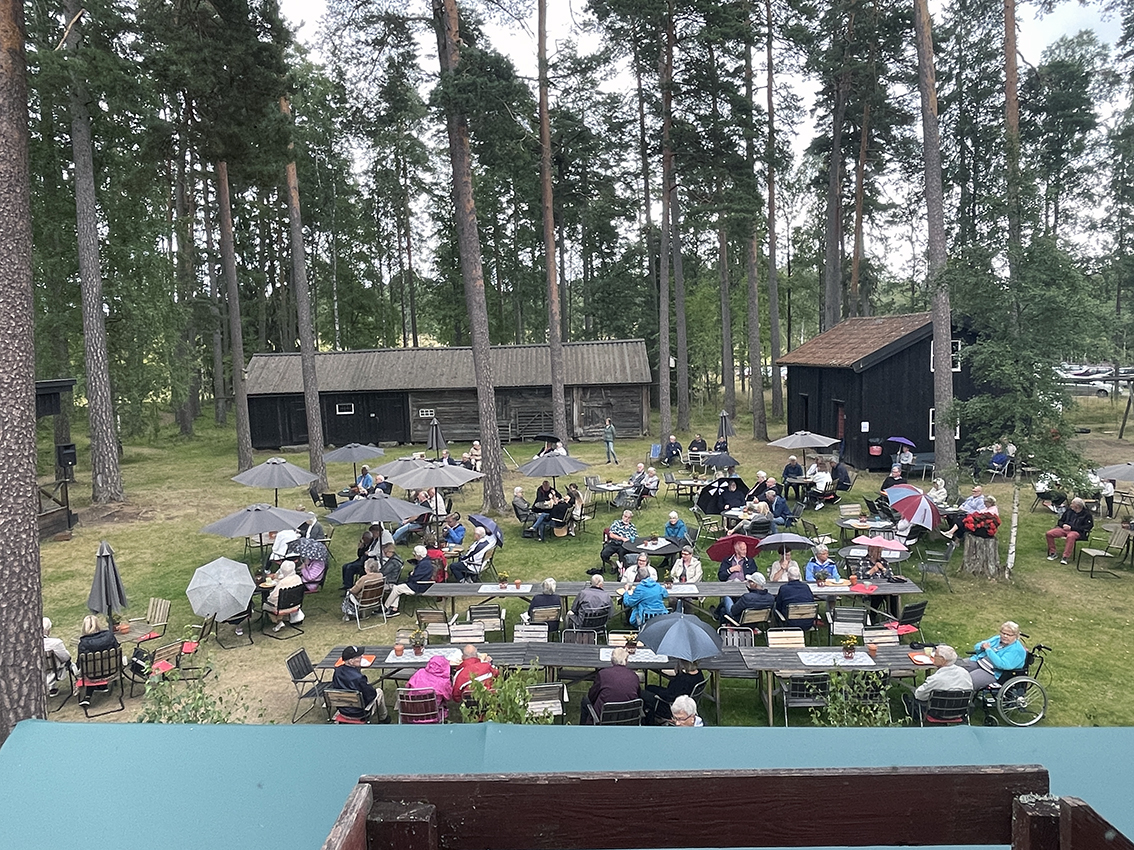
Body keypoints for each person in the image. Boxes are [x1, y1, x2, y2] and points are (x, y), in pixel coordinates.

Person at [905, 645, 972, 723]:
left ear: (943, 660)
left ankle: (911, 710)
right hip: (960, 712)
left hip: (937, 713)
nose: (933, 657)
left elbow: (919, 695)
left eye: (935, 655)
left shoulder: (936, 679)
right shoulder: (965, 673)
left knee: (915, 696)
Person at [957, 621, 1027, 690]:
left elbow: (1002, 664)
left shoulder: (1017, 650)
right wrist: (981, 647)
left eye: (1009, 635)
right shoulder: (997, 639)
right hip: (978, 661)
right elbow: (977, 646)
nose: (1005, 636)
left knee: (966, 680)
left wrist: (988, 650)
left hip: (991, 672)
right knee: (956, 668)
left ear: (1016, 636)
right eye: (1003, 633)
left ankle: (958, 695)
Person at [581, 646, 640, 725]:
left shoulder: (603, 674)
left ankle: (583, 730)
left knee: (585, 701)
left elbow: (592, 695)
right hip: (627, 717)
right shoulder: (634, 676)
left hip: (604, 717)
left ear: (612, 660)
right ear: (626, 661)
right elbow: (638, 696)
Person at [331, 645, 390, 723]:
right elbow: (371, 695)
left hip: (343, 711)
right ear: (351, 661)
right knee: (379, 692)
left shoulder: (337, 671)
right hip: (359, 714)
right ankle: (384, 718)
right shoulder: (359, 678)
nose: (362, 657)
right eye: (358, 657)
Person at [644, 659, 705, 725]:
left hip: (670, 704)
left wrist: (678, 675)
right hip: (686, 699)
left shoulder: (682, 680)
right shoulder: (699, 674)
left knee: (646, 691)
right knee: (651, 688)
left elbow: (669, 695)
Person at [76, 615, 119, 706]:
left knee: (90, 668)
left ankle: (88, 696)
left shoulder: (83, 644)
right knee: (101, 663)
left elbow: (80, 663)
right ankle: (102, 686)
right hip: (111, 672)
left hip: (92, 676)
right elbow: (117, 651)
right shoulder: (110, 637)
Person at [383, 545, 434, 617]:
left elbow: (416, 577)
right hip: (417, 584)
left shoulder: (424, 564)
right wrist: (411, 575)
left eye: (415, 554)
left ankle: (385, 607)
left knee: (397, 588)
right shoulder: (424, 562)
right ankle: (393, 608)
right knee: (396, 587)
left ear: (418, 555)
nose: (414, 555)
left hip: (419, 586)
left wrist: (411, 575)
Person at [1045, 496, 1093, 564]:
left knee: (1070, 536)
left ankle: (1065, 557)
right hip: (1064, 529)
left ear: (1077, 506)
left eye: (1072, 503)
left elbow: (1088, 527)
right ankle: (1053, 553)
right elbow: (1060, 521)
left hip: (1077, 532)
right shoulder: (1069, 511)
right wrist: (1063, 525)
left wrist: (1071, 528)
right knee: (1049, 533)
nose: (1071, 505)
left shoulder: (1087, 514)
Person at [717, 539, 756, 620]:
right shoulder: (727, 561)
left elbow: (755, 576)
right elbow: (721, 577)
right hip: (729, 587)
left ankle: (727, 613)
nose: (745, 551)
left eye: (746, 549)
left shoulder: (750, 561)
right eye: (743, 550)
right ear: (736, 550)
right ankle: (733, 615)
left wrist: (748, 580)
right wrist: (731, 570)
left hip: (744, 587)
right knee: (727, 595)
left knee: (724, 608)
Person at [406, 655, 453, 720]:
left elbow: (407, 686)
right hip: (432, 716)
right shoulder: (444, 682)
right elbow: (448, 697)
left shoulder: (419, 673)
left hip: (412, 713)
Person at [593, 509, 637, 575]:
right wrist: (622, 538)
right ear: (622, 516)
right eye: (625, 516)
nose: (626, 519)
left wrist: (631, 540)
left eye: (628, 518)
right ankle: (613, 565)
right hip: (614, 543)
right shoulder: (616, 523)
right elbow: (611, 535)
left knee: (622, 556)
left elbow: (635, 537)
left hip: (624, 545)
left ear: (630, 519)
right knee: (604, 554)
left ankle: (621, 570)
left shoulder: (632, 527)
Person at [43, 617, 76, 696]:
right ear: (48, 630)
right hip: (55, 671)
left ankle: (52, 688)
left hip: (37, 672)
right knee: (70, 664)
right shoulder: (55, 643)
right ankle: (79, 680)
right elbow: (66, 658)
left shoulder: (29, 645)